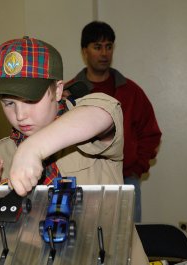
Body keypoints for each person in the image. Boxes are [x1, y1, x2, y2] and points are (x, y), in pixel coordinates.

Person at [0, 36, 149, 264]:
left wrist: (31, 149)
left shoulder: (86, 125)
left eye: (31, 100)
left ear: (57, 90)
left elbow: (104, 111)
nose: (20, 115)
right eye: (8, 103)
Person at [64, 21, 162, 222]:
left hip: (126, 179)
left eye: (109, 47)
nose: (104, 53)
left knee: (127, 240)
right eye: (97, 47)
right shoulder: (69, 92)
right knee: (84, 238)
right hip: (83, 180)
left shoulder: (131, 91)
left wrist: (136, 168)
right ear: (85, 51)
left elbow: (150, 133)